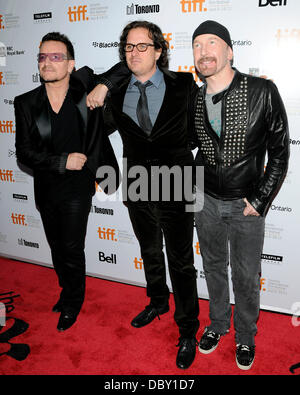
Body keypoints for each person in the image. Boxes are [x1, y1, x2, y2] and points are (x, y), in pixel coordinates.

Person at [88, 21, 200, 369]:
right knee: (149, 249)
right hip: (137, 182)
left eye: (141, 46)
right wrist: (104, 84)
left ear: (158, 51)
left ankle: (187, 329)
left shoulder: (184, 84)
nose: (133, 53)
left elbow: (198, 131)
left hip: (177, 181)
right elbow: (97, 128)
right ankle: (157, 301)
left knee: (181, 261)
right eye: (128, 47)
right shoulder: (116, 92)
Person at [191, 20, 289, 370]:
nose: (204, 51)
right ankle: (218, 324)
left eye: (212, 43)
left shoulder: (262, 91)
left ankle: (245, 335)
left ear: (229, 51)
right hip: (204, 200)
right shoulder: (194, 95)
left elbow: (280, 151)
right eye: (197, 45)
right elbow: (195, 147)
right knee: (213, 267)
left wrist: (261, 199)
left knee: (246, 275)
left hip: (247, 203)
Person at [14, 32, 119, 332]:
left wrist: (104, 86)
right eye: (42, 57)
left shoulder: (85, 86)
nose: (47, 62)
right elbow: (25, 152)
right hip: (46, 186)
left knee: (72, 247)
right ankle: (66, 288)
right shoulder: (25, 103)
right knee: (56, 246)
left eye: (56, 56)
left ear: (71, 64)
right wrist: (62, 160)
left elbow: (124, 69)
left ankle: (73, 300)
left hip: (79, 186)